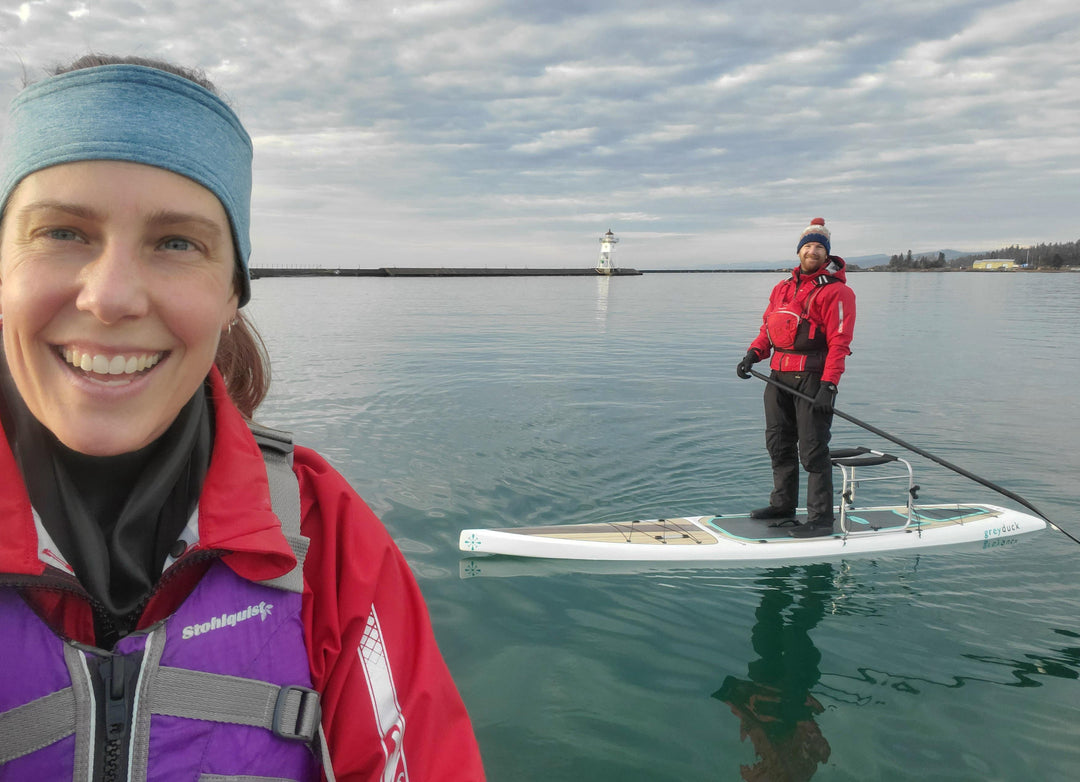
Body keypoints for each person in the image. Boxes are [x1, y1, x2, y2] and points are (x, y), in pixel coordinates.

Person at [0, 55, 485, 780]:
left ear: (233, 295)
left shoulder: (324, 536)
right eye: (64, 232)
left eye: (176, 243)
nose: (112, 298)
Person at [736, 218, 856, 538]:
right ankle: (783, 504)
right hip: (778, 378)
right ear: (799, 252)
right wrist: (753, 354)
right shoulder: (782, 288)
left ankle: (820, 519)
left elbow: (840, 343)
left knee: (813, 450)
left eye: (819, 247)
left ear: (827, 254)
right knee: (778, 444)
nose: (813, 251)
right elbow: (769, 329)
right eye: (808, 246)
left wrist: (830, 385)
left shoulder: (838, 292)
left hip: (813, 378)